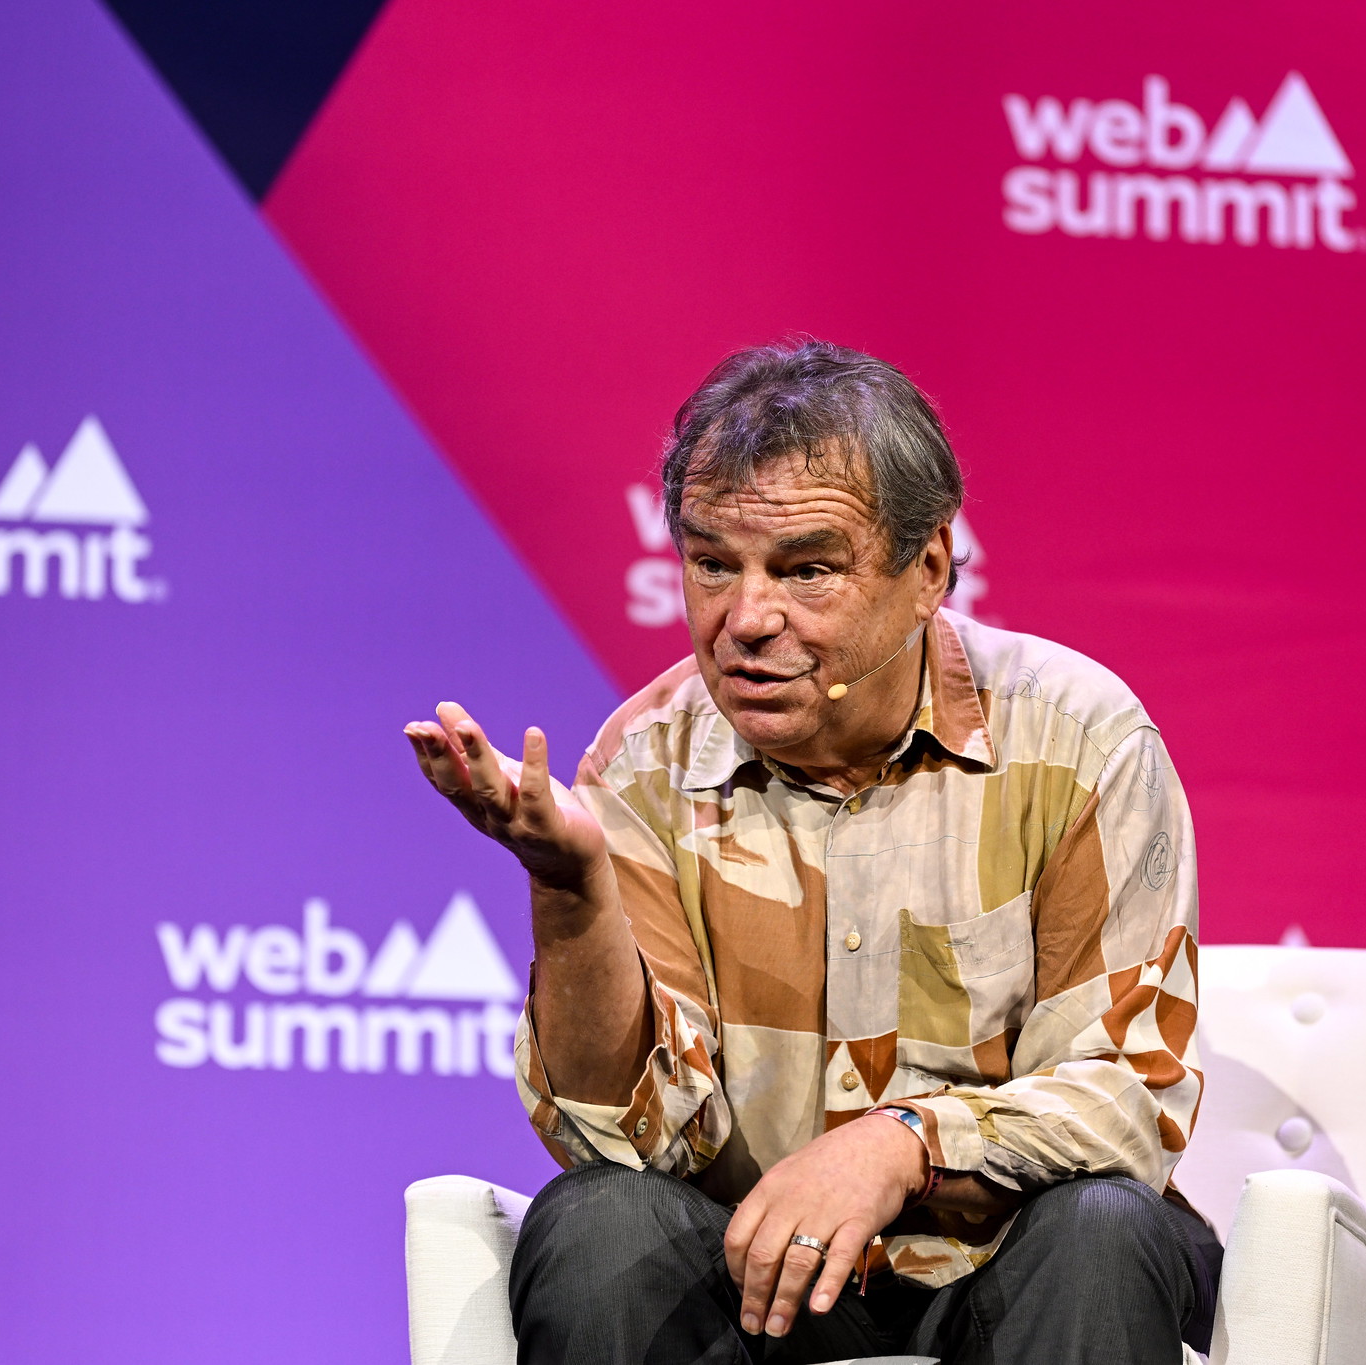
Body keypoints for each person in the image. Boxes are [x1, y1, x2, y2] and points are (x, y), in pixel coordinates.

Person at [404, 339, 1218, 1363]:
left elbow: (1129, 1096)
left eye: (806, 570)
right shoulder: (647, 765)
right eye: (712, 564)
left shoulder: (1076, 741)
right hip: (760, 1277)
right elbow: (629, 1145)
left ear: (925, 571)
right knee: (597, 1222)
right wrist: (571, 891)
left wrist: (904, 1146)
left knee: (1106, 1228)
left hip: (1006, 1262)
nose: (744, 619)